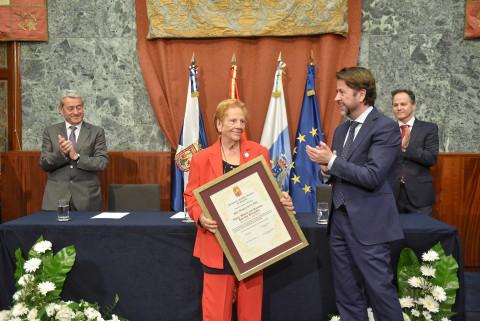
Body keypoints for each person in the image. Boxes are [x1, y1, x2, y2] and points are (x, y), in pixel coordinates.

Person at [306, 67, 404, 321]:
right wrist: (326, 170)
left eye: (341, 92)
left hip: (369, 224)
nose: (336, 97)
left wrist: (333, 162)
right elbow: (338, 173)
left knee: (380, 292)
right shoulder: (341, 130)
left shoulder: (386, 128)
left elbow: (372, 176)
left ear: (361, 95)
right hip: (338, 221)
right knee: (347, 293)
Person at [184, 98, 295, 321]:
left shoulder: (258, 152)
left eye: (242, 121)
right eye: (232, 120)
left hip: (253, 244)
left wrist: (283, 201)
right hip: (217, 244)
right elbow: (190, 196)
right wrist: (200, 217)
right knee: (216, 314)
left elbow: (268, 192)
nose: (238, 125)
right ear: (219, 125)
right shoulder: (201, 158)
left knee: (251, 314)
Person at [39, 89, 108, 211]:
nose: (76, 112)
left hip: (87, 198)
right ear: (61, 110)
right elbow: (44, 163)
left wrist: (77, 157)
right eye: (70, 108)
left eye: (79, 107)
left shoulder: (96, 132)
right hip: (56, 198)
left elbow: (101, 163)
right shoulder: (50, 131)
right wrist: (61, 154)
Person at [391, 89, 439, 216]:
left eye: (403, 104)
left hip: (420, 195)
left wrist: (407, 147)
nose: (399, 108)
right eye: (395, 105)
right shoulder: (386, 130)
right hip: (391, 194)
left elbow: (431, 158)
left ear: (413, 105)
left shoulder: (429, 128)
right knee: (394, 235)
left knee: (422, 233)